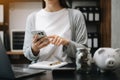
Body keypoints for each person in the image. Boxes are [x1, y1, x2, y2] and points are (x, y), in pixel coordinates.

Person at [23, 0, 88, 63]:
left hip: (66, 70)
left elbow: (84, 52)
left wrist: (66, 43)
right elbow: (28, 54)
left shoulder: (76, 15)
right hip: (39, 70)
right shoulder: (32, 18)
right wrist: (34, 49)